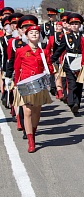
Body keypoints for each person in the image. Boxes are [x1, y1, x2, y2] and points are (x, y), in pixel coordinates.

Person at [13, 17, 55, 152]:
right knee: (27, 112)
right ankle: (30, 141)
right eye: (31, 33)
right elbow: (17, 68)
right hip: (25, 84)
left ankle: (34, 132)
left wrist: (51, 73)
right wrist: (15, 84)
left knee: (37, 112)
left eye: (37, 33)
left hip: (39, 85)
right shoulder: (20, 50)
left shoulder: (44, 51)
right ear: (26, 36)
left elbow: (49, 66)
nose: (34, 35)